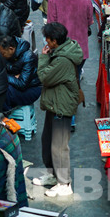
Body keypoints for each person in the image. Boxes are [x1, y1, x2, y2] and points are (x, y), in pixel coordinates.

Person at [33, 22, 81, 197]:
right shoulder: (60, 51)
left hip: (62, 105)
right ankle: (53, 175)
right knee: (47, 141)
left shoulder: (63, 60)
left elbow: (45, 77)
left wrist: (43, 58)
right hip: (54, 103)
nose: (46, 42)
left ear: (55, 41)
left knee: (59, 146)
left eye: (47, 39)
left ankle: (64, 183)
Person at [47, 0, 94, 71]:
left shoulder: (53, 0)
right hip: (80, 48)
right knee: (76, 74)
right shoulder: (86, 0)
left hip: (61, 49)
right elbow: (90, 21)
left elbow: (51, 25)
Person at [0, 36, 41, 110]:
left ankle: (5, 113)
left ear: (11, 49)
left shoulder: (28, 57)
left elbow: (22, 84)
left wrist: (4, 76)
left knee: (4, 91)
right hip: (17, 83)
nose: (2, 56)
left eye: (3, 54)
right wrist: (13, 77)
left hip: (32, 88)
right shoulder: (7, 54)